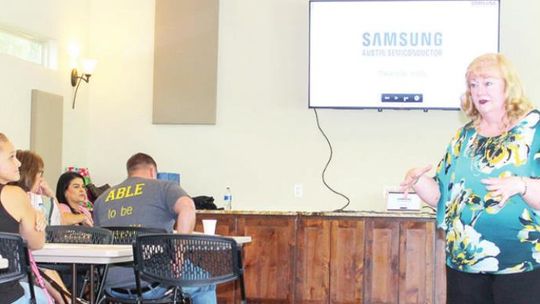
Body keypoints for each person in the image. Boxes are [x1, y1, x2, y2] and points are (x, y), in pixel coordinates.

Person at [401, 53, 540, 304]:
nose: (479, 91)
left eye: (488, 83)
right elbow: (444, 199)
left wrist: (521, 185)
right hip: (464, 263)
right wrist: (419, 181)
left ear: (509, 86)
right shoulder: (464, 137)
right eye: (473, 85)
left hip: (521, 263)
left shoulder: (534, 129)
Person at [93, 152, 216, 303]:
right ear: (153, 171)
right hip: (153, 283)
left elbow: (99, 239)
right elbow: (188, 208)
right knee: (205, 282)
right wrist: (179, 254)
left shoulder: (102, 198)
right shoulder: (165, 187)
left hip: (110, 286)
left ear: (130, 172)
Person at [10, 150, 73, 304]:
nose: (42, 177)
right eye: (40, 173)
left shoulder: (28, 201)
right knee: (43, 268)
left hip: (18, 273)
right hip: (19, 278)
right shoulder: (24, 200)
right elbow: (38, 243)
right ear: (30, 173)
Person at [0, 133, 49, 303]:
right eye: (11, 157)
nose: (18, 163)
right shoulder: (14, 195)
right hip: (6, 294)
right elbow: (36, 243)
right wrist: (36, 215)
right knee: (42, 297)